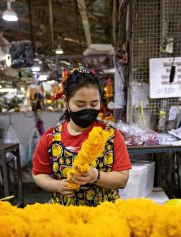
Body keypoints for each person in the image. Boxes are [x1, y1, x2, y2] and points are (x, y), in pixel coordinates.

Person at [32, 68, 132, 206]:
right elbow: (39, 174)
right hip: (64, 216)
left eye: (94, 104)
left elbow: (122, 179)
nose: (88, 109)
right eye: (80, 104)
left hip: (105, 217)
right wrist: (57, 185)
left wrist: (95, 176)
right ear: (66, 102)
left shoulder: (111, 136)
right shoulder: (49, 137)